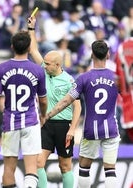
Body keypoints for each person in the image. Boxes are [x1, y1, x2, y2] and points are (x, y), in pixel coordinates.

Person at [44, 39, 121, 188]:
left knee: (84, 168)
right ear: (108, 55)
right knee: (110, 170)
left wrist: (47, 115)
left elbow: (66, 101)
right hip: (111, 128)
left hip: (91, 130)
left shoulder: (83, 79)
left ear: (91, 55)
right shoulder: (116, 78)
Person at [0, 30, 48, 188]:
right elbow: (43, 100)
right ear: (29, 47)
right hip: (31, 122)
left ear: (12, 46)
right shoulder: (38, 70)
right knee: (31, 168)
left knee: (9, 168)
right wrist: (43, 115)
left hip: (10, 123)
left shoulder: (1, 68)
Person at [28, 16, 82, 188]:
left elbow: (77, 105)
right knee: (38, 162)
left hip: (64, 125)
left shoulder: (69, 80)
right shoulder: (44, 71)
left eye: (48, 64)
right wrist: (31, 29)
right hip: (45, 123)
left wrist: (73, 129)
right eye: (44, 63)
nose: (44, 66)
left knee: (65, 166)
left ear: (58, 65)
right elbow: (33, 50)